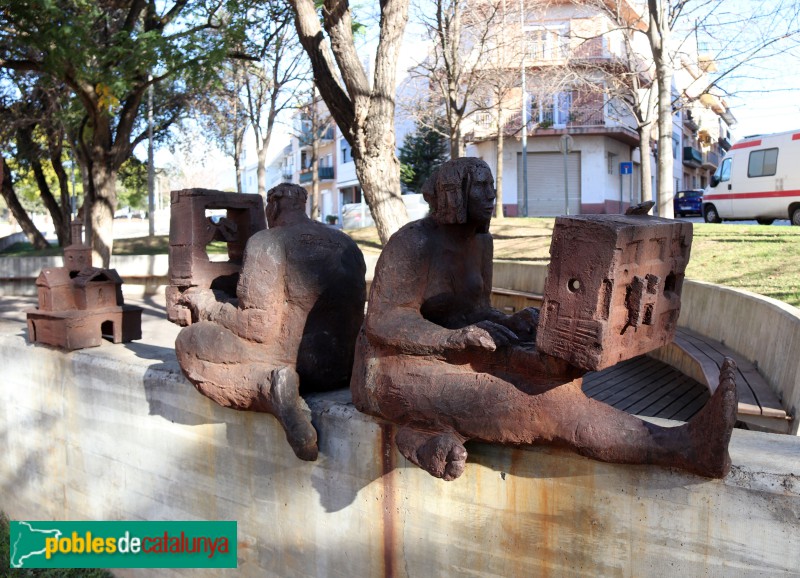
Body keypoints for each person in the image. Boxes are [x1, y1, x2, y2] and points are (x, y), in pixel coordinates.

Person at [351, 158, 737, 481]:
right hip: (389, 369)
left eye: (491, 186)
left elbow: (474, 311)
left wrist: (511, 321)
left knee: (551, 370)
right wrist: (452, 340)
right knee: (535, 405)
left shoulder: (480, 243)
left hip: (448, 351)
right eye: (481, 188)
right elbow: (383, 321)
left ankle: (427, 435)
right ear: (455, 196)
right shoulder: (412, 245)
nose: (492, 195)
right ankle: (682, 448)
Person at [176, 183, 366, 461]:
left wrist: (208, 305)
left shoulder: (268, 242)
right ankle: (276, 386)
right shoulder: (346, 242)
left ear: (273, 206)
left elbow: (256, 326)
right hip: (343, 367)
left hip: (292, 364)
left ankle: (268, 388)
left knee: (190, 342)